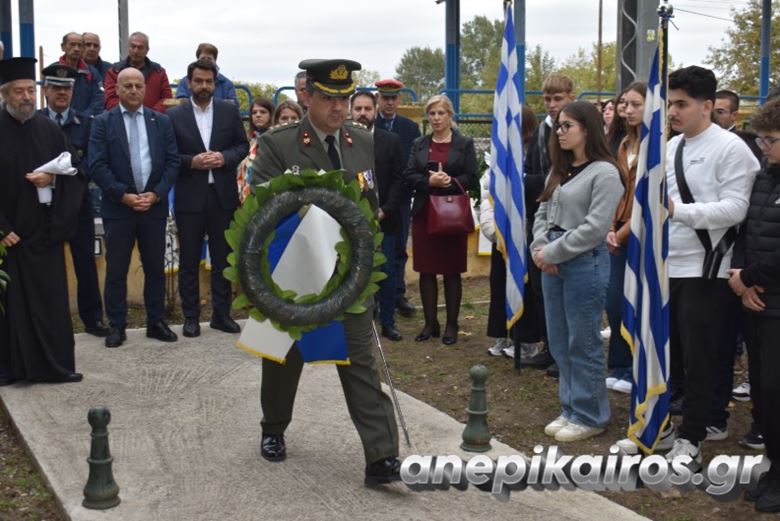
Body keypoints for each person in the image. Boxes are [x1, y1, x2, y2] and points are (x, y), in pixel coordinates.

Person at [251, 59, 401, 486]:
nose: (339, 108)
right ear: (307, 97)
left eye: (345, 98)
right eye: (328, 98)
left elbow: (369, 202)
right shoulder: (279, 144)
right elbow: (262, 204)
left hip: (347, 273)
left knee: (359, 360)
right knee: (284, 357)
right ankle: (273, 427)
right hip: (293, 273)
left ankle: (381, 456)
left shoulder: (362, 140)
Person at [660, 66, 759, 469]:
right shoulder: (671, 146)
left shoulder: (732, 148)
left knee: (702, 358)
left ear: (706, 106)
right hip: (668, 265)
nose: (672, 111)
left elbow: (737, 208)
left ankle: (693, 437)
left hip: (708, 267)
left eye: (681, 104)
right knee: (672, 354)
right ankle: (670, 425)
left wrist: (678, 212)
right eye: (670, 103)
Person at [531, 101, 623, 442]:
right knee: (559, 339)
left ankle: (590, 414)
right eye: (558, 126)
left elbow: (595, 228)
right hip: (551, 260)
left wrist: (552, 252)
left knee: (582, 341)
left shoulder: (605, 173)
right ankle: (570, 407)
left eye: (567, 125)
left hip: (585, 262)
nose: (560, 131)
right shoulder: (561, 168)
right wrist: (540, 249)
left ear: (588, 128)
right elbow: (542, 213)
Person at [0, 57, 86, 385]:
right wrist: (2, 229)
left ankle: (55, 367)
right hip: (9, 239)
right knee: (11, 307)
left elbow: (76, 173)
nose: (26, 97)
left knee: (50, 304)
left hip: (44, 234)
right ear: (5, 94)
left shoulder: (49, 129)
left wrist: (51, 180)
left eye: (29, 91)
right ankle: (10, 370)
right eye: (19, 91)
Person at [88, 67, 180, 348]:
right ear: (117, 89)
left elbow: (173, 161)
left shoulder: (160, 121)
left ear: (145, 89)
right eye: (127, 85)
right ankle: (117, 325)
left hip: (153, 207)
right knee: (116, 269)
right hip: (119, 209)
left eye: (138, 85)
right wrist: (123, 195)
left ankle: (156, 322)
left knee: (154, 268)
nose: (133, 90)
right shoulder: (103, 123)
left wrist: (156, 194)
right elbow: (97, 165)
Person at [168, 60, 248, 338]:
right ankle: (191, 317)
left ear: (215, 83)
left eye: (209, 81)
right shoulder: (174, 116)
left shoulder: (228, 111)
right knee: (189, 260)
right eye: (199, 81)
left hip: (222, 197)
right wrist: (192, 162)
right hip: (190, 197)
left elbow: (242, 145)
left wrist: (224, 157)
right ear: (189, 83)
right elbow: (168, 155)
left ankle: (221, 315)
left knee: (223, 259)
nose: (204, 86)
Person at [727, 97, 780, 512]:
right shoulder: (763, 179)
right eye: (761, 140)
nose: (764, 148)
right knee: (763, 391)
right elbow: (746, 232)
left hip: (773, 300)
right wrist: (743, 281)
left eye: (770, 140)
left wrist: (750, 277)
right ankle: (774, 468)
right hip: (758, 301)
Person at [39, 63, 108, 337]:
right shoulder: (35, 123)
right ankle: (48, 321)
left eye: (66, 88)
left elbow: (92, 163)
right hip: (43, 207)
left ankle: (93, 319)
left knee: (85, 263)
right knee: (47, 266)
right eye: (56, 87)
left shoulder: (86, 124)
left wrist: (58, 176)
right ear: (45, 90)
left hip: (78, 204)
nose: (62, 93)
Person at [405, 94, 477, 345]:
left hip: (451, 215)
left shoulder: (464, 143)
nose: (436, 118)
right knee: (426, 270)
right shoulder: (419, 143)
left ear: (450, 115)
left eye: (441, 113)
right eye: (432, 113)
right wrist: (429, 181)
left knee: (451, 271)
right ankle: (430, 323)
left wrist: (449, 182)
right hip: (424, 213)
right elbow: (409, 174)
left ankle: (452, 325)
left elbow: (472, 176)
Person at [522, 73, 576, 375]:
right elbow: (534, 172)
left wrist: (534, 182)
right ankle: (550, 345)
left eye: (558, 98)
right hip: (542, 218)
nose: (552, 105)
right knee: (544, 290)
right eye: (547, 99)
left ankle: (567, 352)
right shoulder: (543, 130)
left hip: (569, 223)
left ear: (571, 97)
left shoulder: (580, 129)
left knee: (568, 293)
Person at [484, 104, 539, 362]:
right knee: (499, 283)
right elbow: (489, 188)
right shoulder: (500, 153)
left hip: (525, 230)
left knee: (524, 284)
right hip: (502, 230)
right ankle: (502, 333)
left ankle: (526, 339)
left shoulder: (537, 152)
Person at [350, 90, 405, 341]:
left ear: (375, 111)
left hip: (385, 220)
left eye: (367, 109)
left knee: (387, 272)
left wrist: (385, 210)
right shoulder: (341, 140)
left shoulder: (390, 141)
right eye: (358, 109)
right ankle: (360, 320)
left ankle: (388, 322)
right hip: (350, 219)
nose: (362, 113)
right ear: (351, 111)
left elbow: (398, 179)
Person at [604, 82, 646, 395]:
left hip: (641, 234)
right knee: (614, 301)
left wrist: (620, 232)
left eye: (636, 104)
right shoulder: (622, 144)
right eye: (625, 104)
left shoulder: (659, 147)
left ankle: (637, 370)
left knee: (638, 302)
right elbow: (614, 189)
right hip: (615, 229)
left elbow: (648, 201)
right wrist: (609, 227)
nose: (627, 111)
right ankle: (619, 365)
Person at [375, 78, 422, 318]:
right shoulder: (369, 125)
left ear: (399, 99)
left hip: (401, 198)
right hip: (374, 198)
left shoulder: (409, 128)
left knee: (399, 250)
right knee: (375, 249)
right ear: (378, 99)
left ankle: (398, 294)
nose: (390, 103)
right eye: (385, 98)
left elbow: (414, 161)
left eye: (394, 98)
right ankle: (376, 297)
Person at [103, 32, 172, 113]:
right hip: (121, 118)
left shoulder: (159, 72)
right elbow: (109, 100)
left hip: (153, 118)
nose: (136, 51)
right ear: (128, 48)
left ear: (147, 50)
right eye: (133, 47)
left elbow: (167, 99)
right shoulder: (114, 72)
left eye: (140, 47)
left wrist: (150, 114)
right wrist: (130, 112)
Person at [54, 32, 103, 116]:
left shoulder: (92, 73)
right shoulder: (53, 71)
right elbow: (52, 99)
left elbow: (98, 100)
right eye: (72, 45)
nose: (76, 49)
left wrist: (81, 118)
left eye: (79, 45)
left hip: (86, 121)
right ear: (63, 47)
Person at [236, 98, 274, 204]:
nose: (258, 115)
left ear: (271, 115)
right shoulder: (249, 140)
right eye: (254, 112)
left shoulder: (275, 138)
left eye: (263, 112)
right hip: (245, 196)